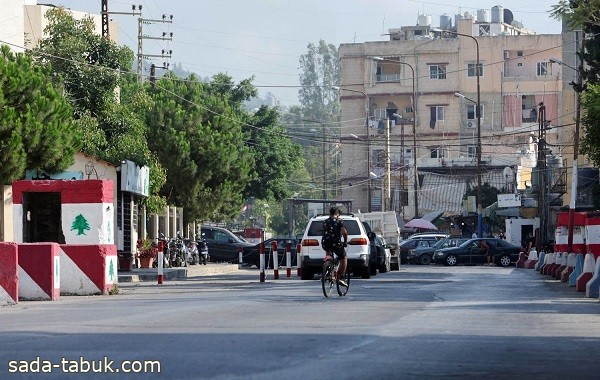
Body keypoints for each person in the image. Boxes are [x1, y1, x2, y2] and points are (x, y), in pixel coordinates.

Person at [321, 207, 349, 286]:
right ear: (337, 214)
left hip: (325, 243)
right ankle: (342, 278)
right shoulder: (339, 221)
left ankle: (328, 271)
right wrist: (345, 242)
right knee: (344, 257)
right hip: (336, 244)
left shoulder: (325, 221)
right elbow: (344, 233)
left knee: (329, 254)